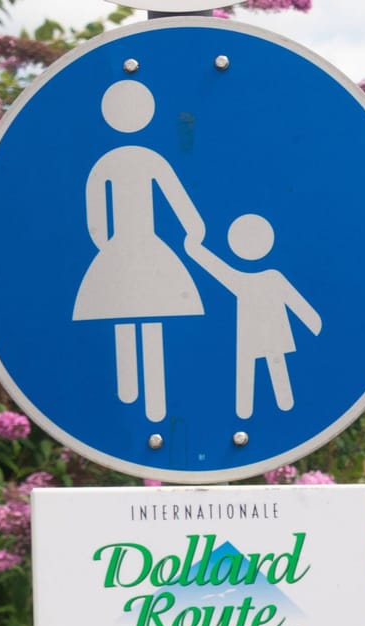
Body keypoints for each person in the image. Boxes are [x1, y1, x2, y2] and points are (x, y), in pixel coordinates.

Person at [72, 80, 207, 424]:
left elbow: (95, 219)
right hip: (145, 246)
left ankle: (135, 396)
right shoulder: (148, 159)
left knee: (124, 310)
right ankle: (147, 402)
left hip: (123, 246)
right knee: (147, 314)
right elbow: (179, 201)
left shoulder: (107, 162)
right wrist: (194, 229)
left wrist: (107, 247)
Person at [184, 215, 323, 419]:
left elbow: (294, 300)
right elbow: (217, 269)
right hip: (257, 332)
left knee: (267, 366)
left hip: (265, 332)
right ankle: (251, 411)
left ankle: (263, 409)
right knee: (262, 366)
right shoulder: (259, 278)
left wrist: (313, 321)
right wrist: (195, 250)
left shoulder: (258, 279)